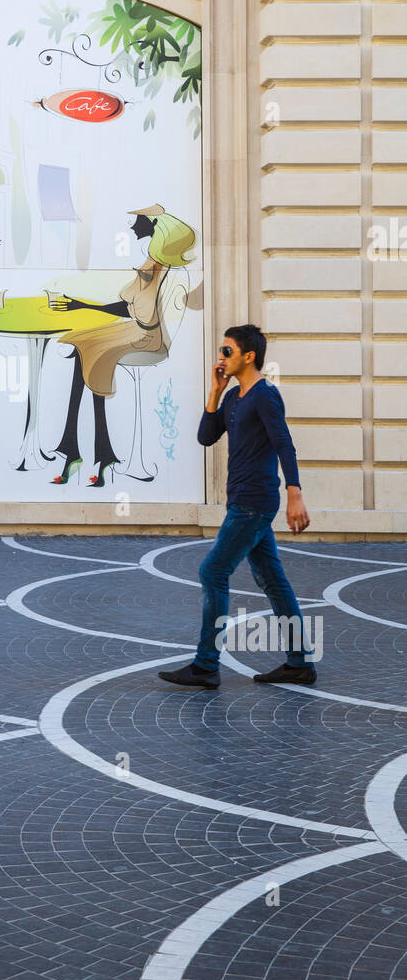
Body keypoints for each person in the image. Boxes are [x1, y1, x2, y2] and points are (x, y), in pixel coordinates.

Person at [158, 323, 314, 690]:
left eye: (226, 351)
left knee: (212, 572)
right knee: (273, 581)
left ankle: (205, 665)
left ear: (248, 356)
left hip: (253, 502)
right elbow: (206, 437)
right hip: (242, 500)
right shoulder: (234, 398)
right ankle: (299, 663)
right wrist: (215, 391)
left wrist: (295, 493)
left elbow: (285, 444)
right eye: (220, 351)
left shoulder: (265, 395)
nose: (220, 357)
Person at [51, 204, 196, 485]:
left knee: (92, 351)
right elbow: (129, 307)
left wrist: (82, 305)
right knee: (81, 342)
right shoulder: (153, 264)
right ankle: (82, 449)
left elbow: (135, 311)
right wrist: (81, 305)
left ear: (154, 225)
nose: (132, 227)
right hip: (138, 329)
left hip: (148, 338)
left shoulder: (156, 268)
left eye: (138, 222)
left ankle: (89, 452)